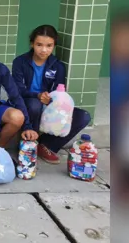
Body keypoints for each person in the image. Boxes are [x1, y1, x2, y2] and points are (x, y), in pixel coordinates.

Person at [11, 25, 92, 163]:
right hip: (26, 103)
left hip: (48, 105)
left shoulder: (58, 66)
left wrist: (52, 99)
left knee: (83, 116)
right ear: (32, 44)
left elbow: (59, 91)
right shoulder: (20, 62)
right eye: (39, 45)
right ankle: (30, 142)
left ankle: (47, 145)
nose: (44, 49)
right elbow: (17, 90)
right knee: (34, 105)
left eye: (49, 45)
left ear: (54, 46)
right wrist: (37, 96)